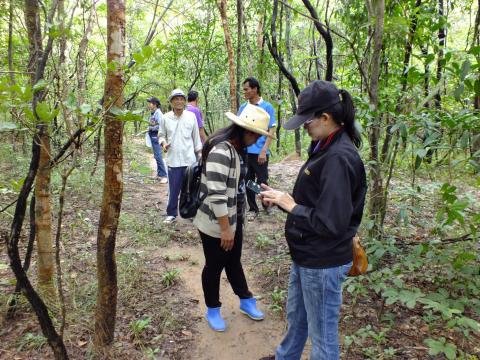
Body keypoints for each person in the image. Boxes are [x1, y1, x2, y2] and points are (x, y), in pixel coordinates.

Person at [259, 81, 367, 360]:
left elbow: (331, 223)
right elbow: (316, 203)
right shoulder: (323, 145)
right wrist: (281, 199)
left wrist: (290, 204)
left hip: (323, 261)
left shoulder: (338, 157)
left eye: (307, 122)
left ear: (325, 118)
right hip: (306, 255)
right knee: (298, 318)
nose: (304, 128)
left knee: (323, 338)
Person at [193, 104, 275, 332]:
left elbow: (238, 183)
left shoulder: (238, 149)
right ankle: (212, 308)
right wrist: (225, 229)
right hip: (215, 222)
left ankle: (245, 299)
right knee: (214, 265)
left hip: (233, 217)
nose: (257, 140)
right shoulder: (222, 150)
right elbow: (216, 193)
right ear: (246, 131)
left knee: (233, 260)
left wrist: (261, 192)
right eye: (257, 136)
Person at [159, 89, 202, 224]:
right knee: (174, 189)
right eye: (176, 99)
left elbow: (196, 138)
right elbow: (161, 135)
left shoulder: (191, 116)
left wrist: (199, 154)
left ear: (185, 101)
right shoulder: (165, 118)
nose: (179, 101)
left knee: (191, 189)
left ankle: (190, 212)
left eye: (181, 99)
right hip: (173, 160)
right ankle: (171, 213)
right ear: (171, 102)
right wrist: (164, 143)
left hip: (189, 159)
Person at [238, 77, 276, 217]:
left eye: (247, 89)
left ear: (255, 89)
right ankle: (253, 209)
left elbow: (271, 130)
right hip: (245, 152)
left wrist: (264, 150)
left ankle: (266, 205)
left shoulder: (267, 107)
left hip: (260, 152)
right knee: (248, 181)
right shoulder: (243, 107)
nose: (245, 92)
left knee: (262, 181)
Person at [146, 97, 168, 183]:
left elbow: (161, 126)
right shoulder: (153, 113)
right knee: (156, 156)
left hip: (156, 136)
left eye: (150, 103)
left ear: (154, 104)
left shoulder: (158, 113)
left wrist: (151, 128)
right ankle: (159, 174)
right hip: (152, 136)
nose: (149, 104)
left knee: (158, 156)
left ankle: (164, 175)